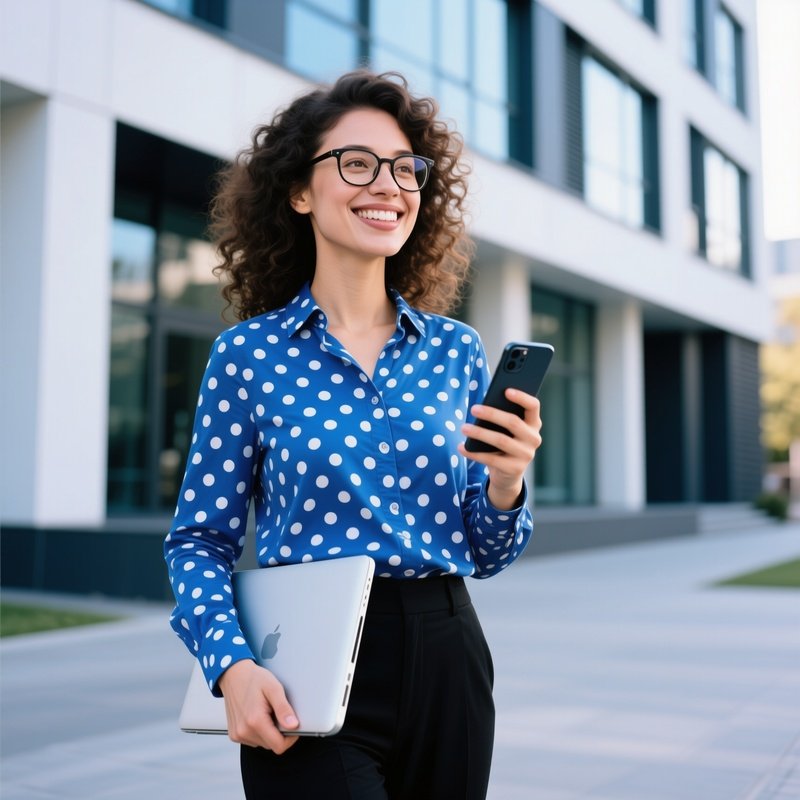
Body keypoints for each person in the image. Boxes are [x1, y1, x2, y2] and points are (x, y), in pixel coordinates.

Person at [164, 70, 543, 800]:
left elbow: (488, 553)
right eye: (358, 163)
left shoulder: (455, 351)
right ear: (299, 191)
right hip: (303, 665)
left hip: (448, 654)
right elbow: (198, 541)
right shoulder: (249, 356)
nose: (389, 186)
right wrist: (230, 666)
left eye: (407, 169)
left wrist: (505, 483)